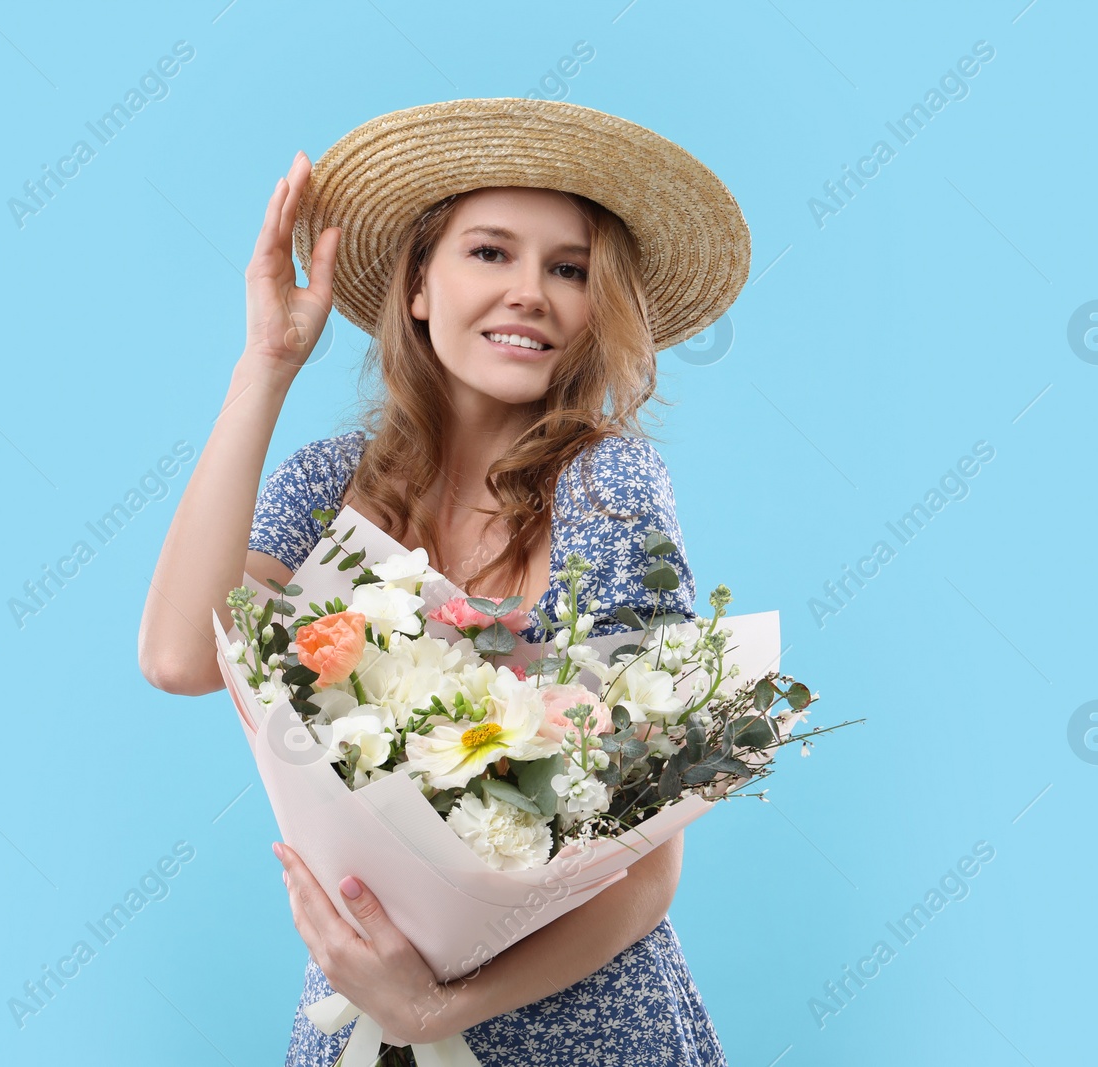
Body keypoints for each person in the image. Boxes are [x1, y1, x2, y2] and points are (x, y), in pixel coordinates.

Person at [137, 98, 749, 1065]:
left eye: (570, 269)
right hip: (361, 1012)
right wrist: (266, 364)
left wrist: (437, 1008)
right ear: (420, 285)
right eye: (491, 253)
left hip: (580, 1028)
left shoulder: (610, 487)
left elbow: (644, 868)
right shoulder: (328, 483)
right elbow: (178, 655)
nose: (531, 293)